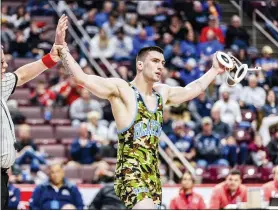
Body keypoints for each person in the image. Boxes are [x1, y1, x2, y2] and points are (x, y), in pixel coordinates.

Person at [56, 16, 227, 208]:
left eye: (162, 62)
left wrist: (214, 70)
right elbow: (83, 79)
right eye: (155, 61)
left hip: (152, 175)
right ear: (140, 65)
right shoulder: (123, 90)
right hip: (130, 172)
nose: (160, 66)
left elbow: (192, 89)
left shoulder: (162, 92)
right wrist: (62, 49)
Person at [0, 15, 67, 209]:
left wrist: (51, 57)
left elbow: (21, 75)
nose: (6, 66)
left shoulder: (1, 85)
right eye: (1, 62)